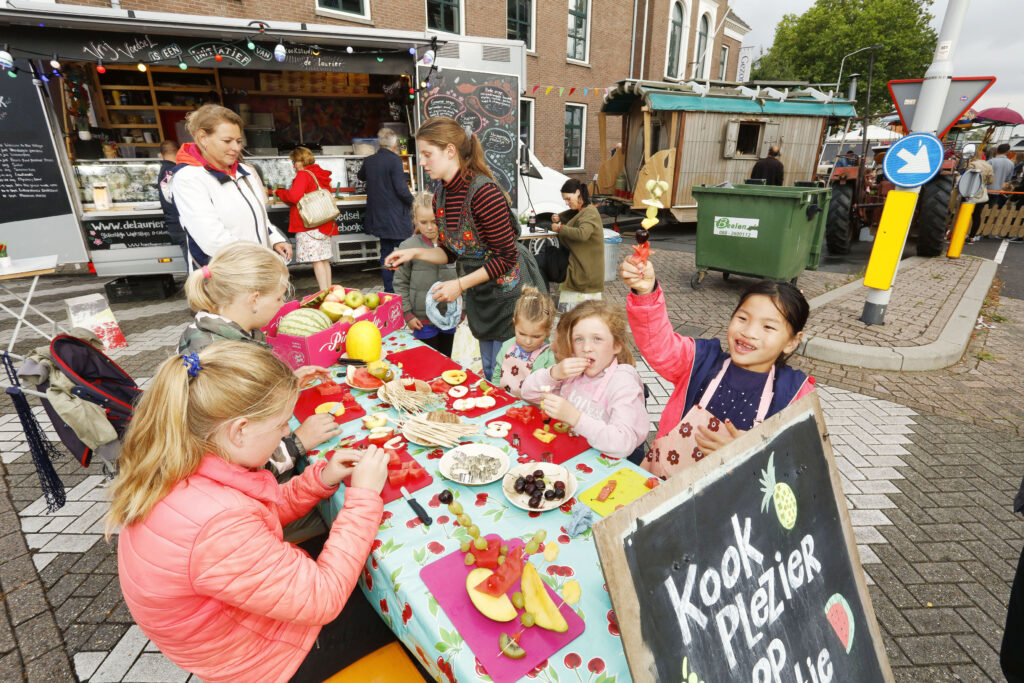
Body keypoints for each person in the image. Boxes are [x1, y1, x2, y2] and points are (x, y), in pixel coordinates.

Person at [109, 341, 394, 682]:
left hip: (239, 630)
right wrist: (363, 497)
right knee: (391, 604)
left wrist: (321, 479)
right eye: (281, 424)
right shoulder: (218, 524)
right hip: (265, 657)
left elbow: (258, 514)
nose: (287, 432)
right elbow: (323, 598)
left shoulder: (182, 461)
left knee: (365, 565)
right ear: (239, 431)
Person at [178, 243, 343, 542]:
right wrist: (298, 442)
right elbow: (236, 460)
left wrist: (280, 386)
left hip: (215, 493)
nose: (281, 305)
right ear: (254, 299)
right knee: (334, 505)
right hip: (242, 508)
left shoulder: (200, 332)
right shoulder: (230, 360)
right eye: (279, 297)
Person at [622, 258, 816, 479]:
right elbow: (659, 344)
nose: (749, 332)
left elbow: (802, 461)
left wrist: (753, 452)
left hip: (733, 495)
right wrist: (646, 292)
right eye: (742, 318)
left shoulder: (795, 394)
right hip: (663, 485)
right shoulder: (700, 360)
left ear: (792, 341)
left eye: (768, 327)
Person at [384, 117, 535, 381]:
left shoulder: (484, 193)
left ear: (450, 151)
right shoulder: (442, 195)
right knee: (489, 370)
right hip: (482, 297)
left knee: (509, 375)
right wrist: (413, 253)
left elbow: (507, 257)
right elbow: (451, 252)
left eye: (427, 154)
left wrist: (460, 285)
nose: (422, 162)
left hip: (509, 298)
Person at [520, 300, 649, 461]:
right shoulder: (571, 372)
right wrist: (554, 373)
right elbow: (528, 393)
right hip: (570, 455)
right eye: (579, 339)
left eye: (597, 339)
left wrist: (575, 418)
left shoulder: (623, 384)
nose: (586, 348)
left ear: (616, 345)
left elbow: (623, 444)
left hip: (606, 466)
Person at [172, 104, 292, 268]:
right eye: (227, 141)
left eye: (238, 141)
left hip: (257, 267)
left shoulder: (244, 172)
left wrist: (274, 239)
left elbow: (259, 218)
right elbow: (212, 239)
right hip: (227, 273)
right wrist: (257, 260)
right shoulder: (189, 178)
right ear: (203, 138)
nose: (236, 148)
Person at [393, 192, 458, 356]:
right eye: (423, 222)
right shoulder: (407, 247)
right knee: (427, 360)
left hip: (449, 315)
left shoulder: (455, 244)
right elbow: (400, 283)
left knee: (447, 359)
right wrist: (407, 314)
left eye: (434, 222)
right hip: (422, 320)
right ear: (415, 219)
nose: (429, 227)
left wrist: (463, 310)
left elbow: (465, 278)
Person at [358, 127, 414, 293]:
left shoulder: (369, 160)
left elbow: (360, 176)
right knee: (405, 251)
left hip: (379, 216)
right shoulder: (395, 160)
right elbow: (401, 190)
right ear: (395, 144)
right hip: (397, 217)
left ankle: (389, 289)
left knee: (385, 252)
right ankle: (406, 288)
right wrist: (415, 203)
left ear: (379, 144)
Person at [274, 147, 336, 292]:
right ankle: (329, 291)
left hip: (310, 223)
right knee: (324, 259)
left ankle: (323, 292)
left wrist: (280, 192)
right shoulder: (319, 173)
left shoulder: (303, 174)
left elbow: (294, 197)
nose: (293, 165)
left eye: (294, 161)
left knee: (316, 260)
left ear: (302, 160)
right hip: (323, 221)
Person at [541, 178, 605, 297]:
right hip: (576, 261)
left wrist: (560, 228)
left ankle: (541, 299)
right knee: (541, 262)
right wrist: (559, 218)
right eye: (565, 200)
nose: (566, 203)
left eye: (568, 199)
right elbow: (574, 216)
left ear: (577, 192)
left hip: (583, 269)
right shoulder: (582, 210)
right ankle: (542, 297)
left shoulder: (590, 212)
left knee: (539, 263)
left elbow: (582, 234)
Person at [492, 286, 557, 397]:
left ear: (548, 330)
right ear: (515, 324)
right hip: (503, 399)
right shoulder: (507, 346)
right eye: (522, 334)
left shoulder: (549, 357)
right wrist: (495, 393)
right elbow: (497, 374)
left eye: (536, 336)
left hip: (530, 406)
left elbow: (548, 390)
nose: (528, 341)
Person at [156, 140, 188, 262]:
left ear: (161, 154)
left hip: (174, 226)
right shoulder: (178, 171)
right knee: (195, 264)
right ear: (179, 152)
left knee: (192, 261)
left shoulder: (163, 171)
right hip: (183, 225)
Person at [962, 144, 994, 243]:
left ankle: (959, 234)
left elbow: (966, 179)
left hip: (968, 191)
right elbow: (991, 181)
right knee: (977, 215)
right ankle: (972, 236)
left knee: (964, 213)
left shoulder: (971, 165)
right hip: (981, 193)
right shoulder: (988, 165)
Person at [988, 143, 1014, 209]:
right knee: (992, 210)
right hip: (999, 191)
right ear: (1008, 152)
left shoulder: (990, 162)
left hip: (987, 190)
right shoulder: (1011, 164)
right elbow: (1008, 179)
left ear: (997, 150)